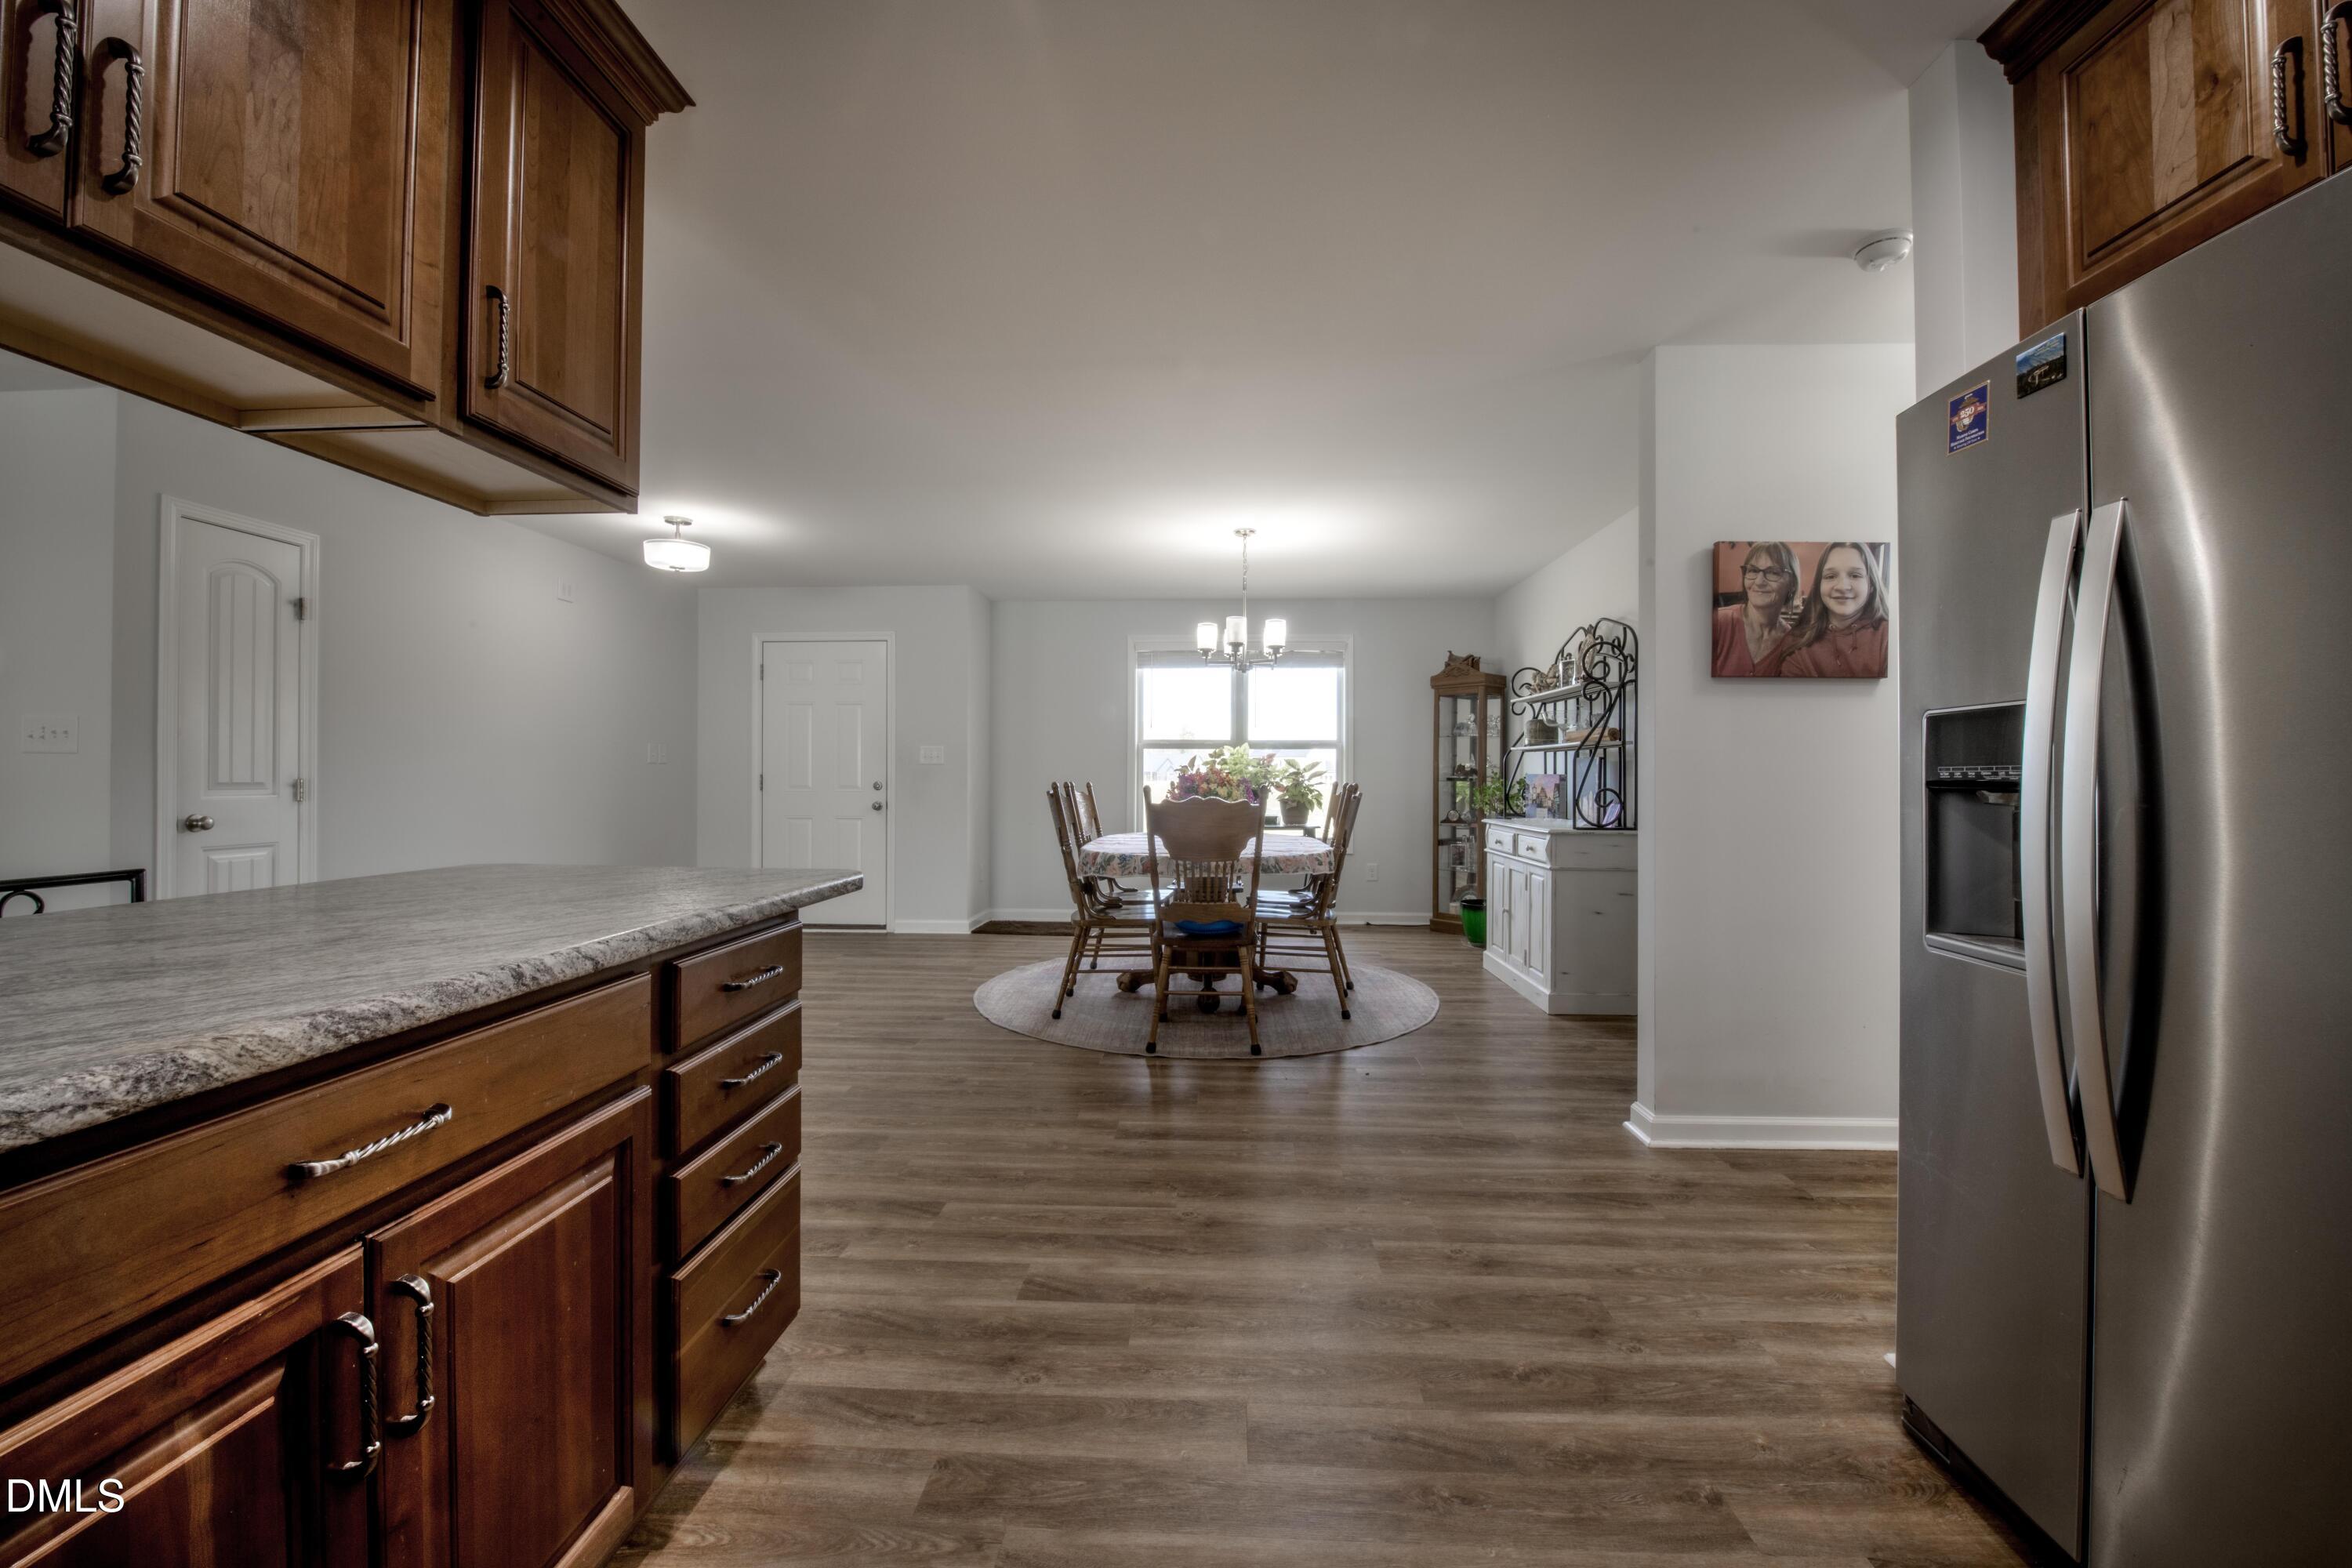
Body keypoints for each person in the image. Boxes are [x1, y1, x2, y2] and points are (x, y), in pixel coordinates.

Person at [1777, 542, 1890, 678]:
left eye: (1855, 575)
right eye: (1830, 576)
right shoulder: (1797, 642)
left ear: (1871, 585)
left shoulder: (1890, 637)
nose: (1842, 587)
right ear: (1819, 585)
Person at [1711, 541, 1802, 677]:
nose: (1759, 582)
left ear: (1792, 584)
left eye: (1773, 572)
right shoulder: (1718, 622)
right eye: (1753, 570)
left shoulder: (1792, 644)